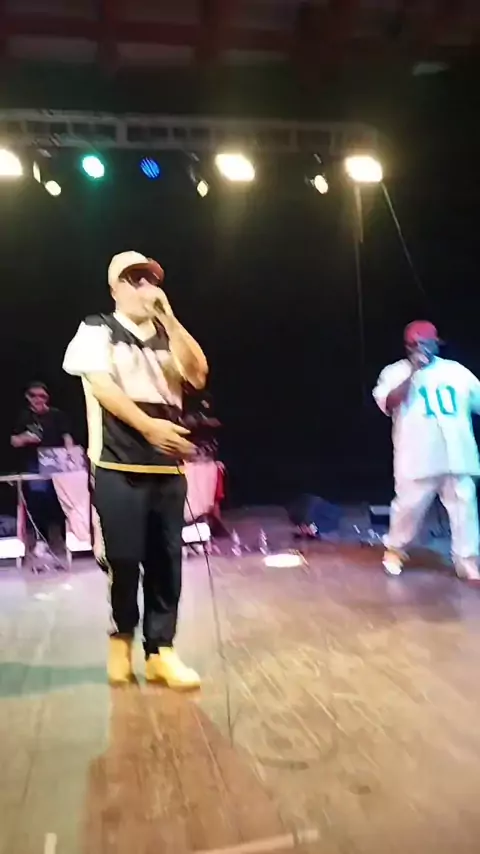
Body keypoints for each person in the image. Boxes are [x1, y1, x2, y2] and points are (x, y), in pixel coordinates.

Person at [63, 251, 208, 688]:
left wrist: (171, 319)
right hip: (117, 462)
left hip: (166, 469)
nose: (144, 286)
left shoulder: (169, 336)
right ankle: (121, 638)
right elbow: (102, 387)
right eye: (133, 279)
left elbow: (197, 375)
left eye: (149, 278)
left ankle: (161, 650)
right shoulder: (97, 328)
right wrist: (149, 428)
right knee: (124, 558)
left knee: (166, 561)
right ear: (114, 289)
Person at [373, 320, 480, 580]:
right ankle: (395, 550)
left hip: (457, 454)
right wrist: (413, 372)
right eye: (414, 344)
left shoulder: (456, 372)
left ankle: (466, 560)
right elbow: (388, 402)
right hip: (418, 455)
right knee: (408, 508)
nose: (419, 348)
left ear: (437, 343)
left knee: (464, 508)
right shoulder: (395, 372)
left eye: (425, 343)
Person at [11, 381, 73, 547]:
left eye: (42, 396)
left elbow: (67, 437)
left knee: (63, 498)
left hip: (57, 461)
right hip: (35, 462)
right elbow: (14, 440)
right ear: (27, 397)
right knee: (38, 497)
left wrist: (70, 456)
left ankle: (66, 536)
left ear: (48, 397)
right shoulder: (23, 416)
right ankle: (41, 539)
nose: (38, 399)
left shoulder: (57, 415)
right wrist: (24, 438)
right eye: (33, 395)